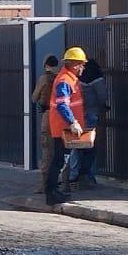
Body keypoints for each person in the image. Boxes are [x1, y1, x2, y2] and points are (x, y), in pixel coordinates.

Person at [45, 47, 87, 206]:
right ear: (74, 64)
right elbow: (62, 105)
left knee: (60, 160)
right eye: (81, 64)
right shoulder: (65, 80)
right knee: (59, 161)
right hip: (64, 128)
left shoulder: (69, 79)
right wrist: (72, 122)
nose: (83, 67)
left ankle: (53, 192)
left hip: (65, 127)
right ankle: (51, 193)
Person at [70, 59, 109, 189]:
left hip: (77, 115)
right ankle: (88, 175)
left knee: (76, 145)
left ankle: (73, 175)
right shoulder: (96, 78)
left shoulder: (76, 78)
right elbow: (103, 96)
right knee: (89, 146)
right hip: (91, 114)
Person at [30, 55, 59, 191]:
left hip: (48, 116)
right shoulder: (61, 78)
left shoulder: (43, 79)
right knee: (62, 151)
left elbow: (34, 98)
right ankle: (63, 183)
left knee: (47, 150)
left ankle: (44, 185)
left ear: (45, 65)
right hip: (62, 117)